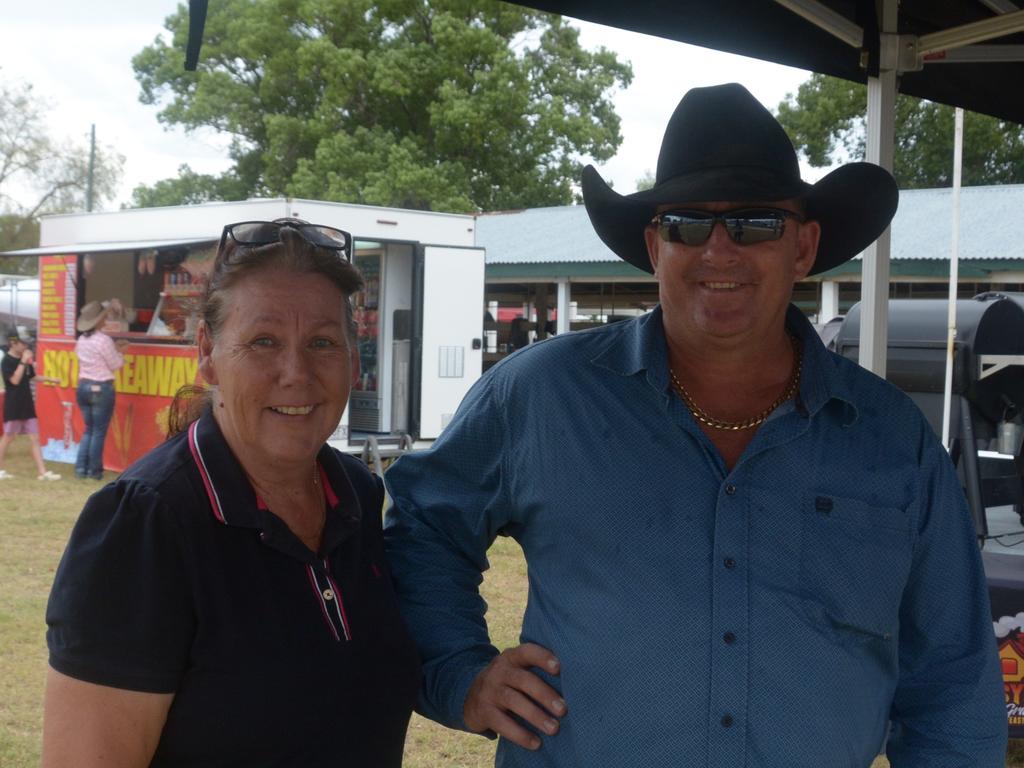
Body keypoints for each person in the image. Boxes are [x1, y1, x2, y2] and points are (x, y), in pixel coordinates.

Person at [383, 83, 1007, 766]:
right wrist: (458, 670)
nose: (719, 251)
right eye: (687, 224)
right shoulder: (539, 397)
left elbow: (951, 680)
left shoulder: (891, 439)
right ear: (656, 245)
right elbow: (423, 530)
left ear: (804, 246)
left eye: (755, 224)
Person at [43, 219, 420, 767]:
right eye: (263, 341)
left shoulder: (356, 494)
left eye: (322, 342)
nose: (296, 372)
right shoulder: (146, 524)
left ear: (353, 359)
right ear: (208, 353)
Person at [73, 299, 129, 480]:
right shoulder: (104, 340)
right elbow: (115, 363)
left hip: (83, 386)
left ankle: (81, 468)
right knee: (98, 431)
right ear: (98, 321)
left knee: (89, 429)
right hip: (101, 387)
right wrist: (121, 352)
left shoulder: (81, 339)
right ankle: (94, 471)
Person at [0, 328, 61, 480]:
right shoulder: (7, 361)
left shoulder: (25, 360)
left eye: (27, 343)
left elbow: (31, 377)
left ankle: (43, 472)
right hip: (14, 406)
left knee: (35, 438)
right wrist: (23, 361)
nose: (26, 346)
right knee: (8, 437)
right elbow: (14, 380)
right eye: (23, 343)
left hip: (27, 404)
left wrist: (50, 379)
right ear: (12, 342)